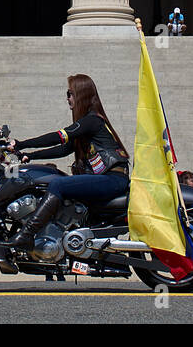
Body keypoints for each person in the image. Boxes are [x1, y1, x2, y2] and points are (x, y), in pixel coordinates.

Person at [9, 74, 130, 249]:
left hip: (113, 179)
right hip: (110, 179)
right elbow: (64, 149)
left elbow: (58, 137)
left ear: (81, 95)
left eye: (70, 93)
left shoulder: (92, 121)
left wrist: (21, 143)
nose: (67, 98)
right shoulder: (90, 123)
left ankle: (27, 234)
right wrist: (30, 155)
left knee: (58, 185)